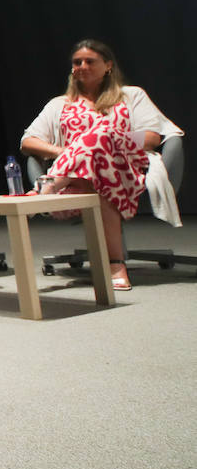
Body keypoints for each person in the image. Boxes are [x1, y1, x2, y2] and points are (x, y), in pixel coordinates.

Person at [20, 39, 183, 291]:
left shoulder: (132, 96)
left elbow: (152, 137)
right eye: (77, 62)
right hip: (82, 180)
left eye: (90, 61)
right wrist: (67, 150)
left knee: (100, 137)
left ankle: (46, 189)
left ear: (108, 65)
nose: (82, 66)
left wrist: (104, 140)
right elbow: (28, 141)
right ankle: (115, 264)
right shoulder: (59, 104)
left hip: (128, 169)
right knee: (98, 173)